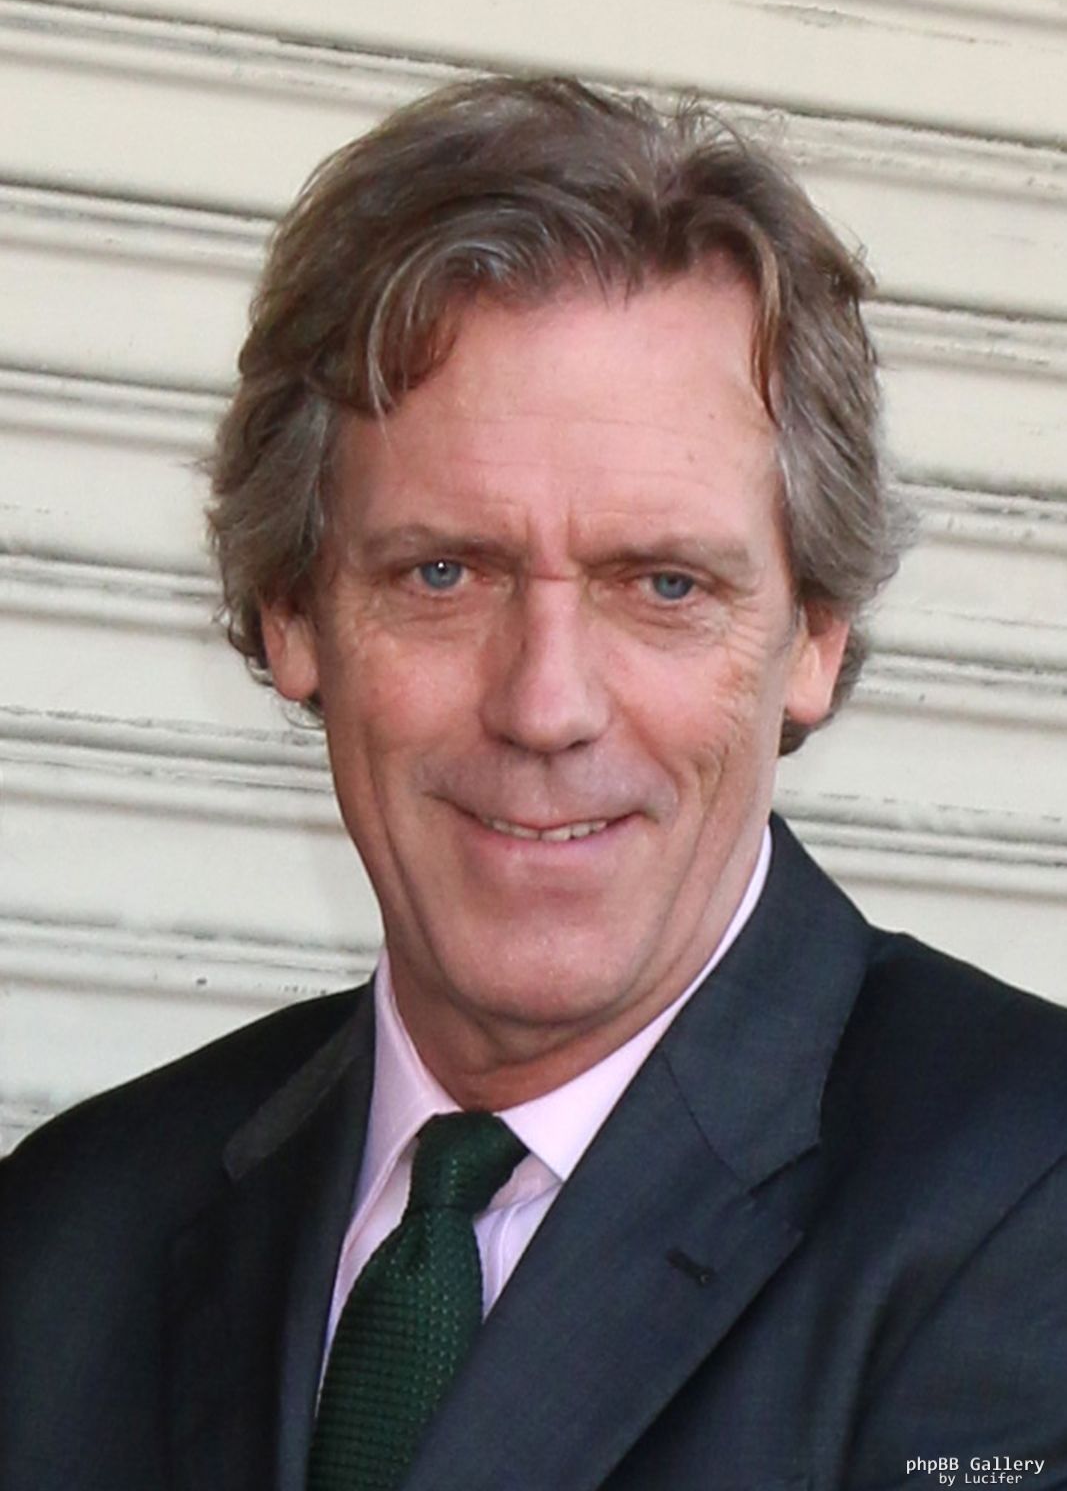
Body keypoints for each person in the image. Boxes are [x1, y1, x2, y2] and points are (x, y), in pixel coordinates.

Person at [2, 76, 1066, 1491]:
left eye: (664, 584)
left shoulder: (1034, 1213)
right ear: (292, 612)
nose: (545, 705)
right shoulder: (62, 1246)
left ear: (815, 636)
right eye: (443, 573)